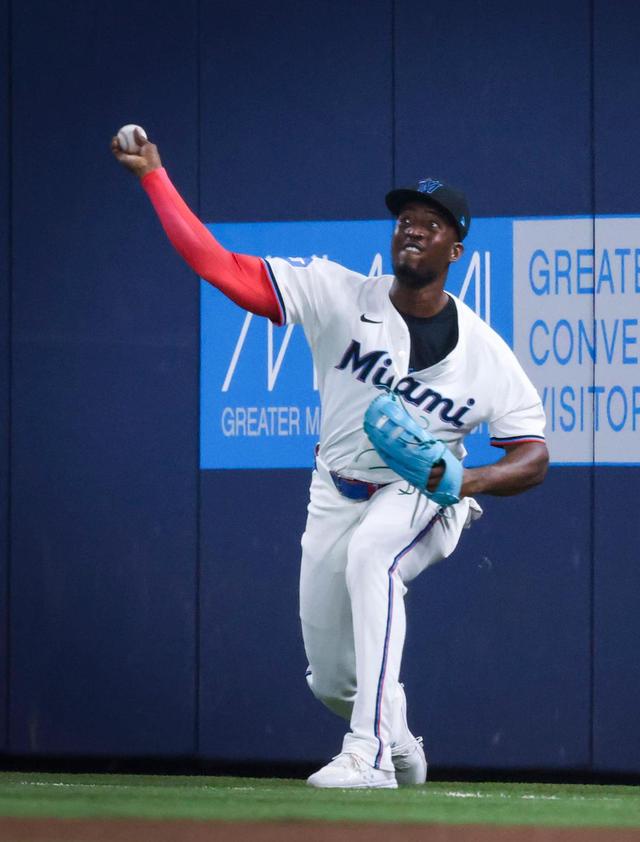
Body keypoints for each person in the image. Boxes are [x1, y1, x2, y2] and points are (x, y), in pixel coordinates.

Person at [112, 128, 549, 789]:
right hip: (333, 491)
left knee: (375, 553)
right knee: (331, 680)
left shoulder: (483, 353)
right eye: (406, 218)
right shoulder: (338, 294)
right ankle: (394, 731)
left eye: (431, 225)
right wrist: (154, 176)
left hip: (422, 495)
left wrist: (468, 479)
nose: (413, 229)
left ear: (456, 249)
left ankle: (368, 755)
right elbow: (219, 267)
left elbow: (534, 453)